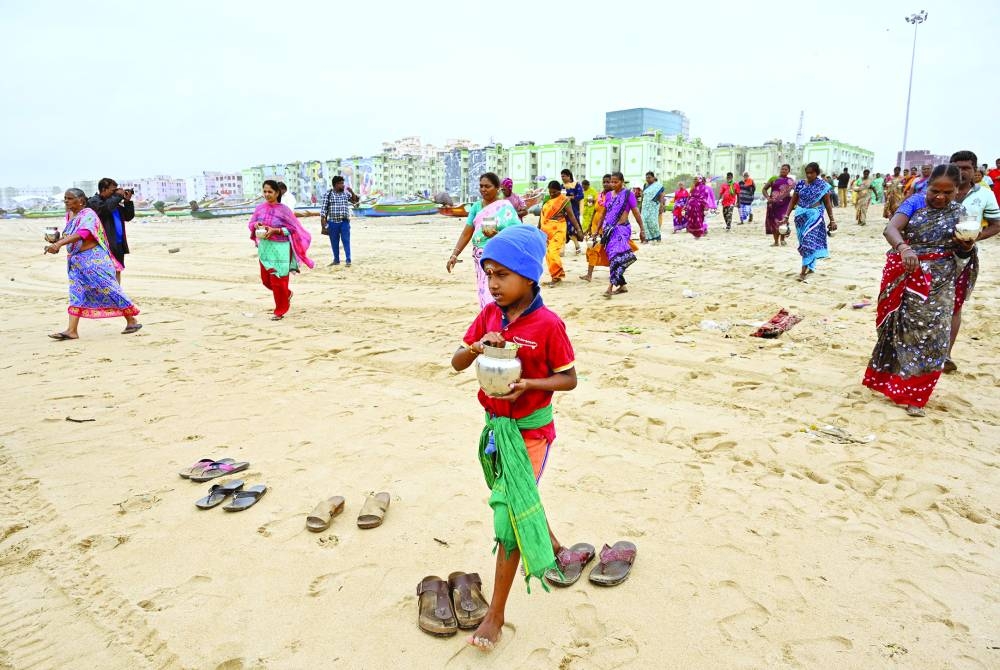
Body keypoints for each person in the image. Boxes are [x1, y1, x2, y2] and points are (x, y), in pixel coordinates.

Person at [451, 224, 577, 652]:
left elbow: (570, 378)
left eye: (503, 274)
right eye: (489, 274)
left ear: (529, 277)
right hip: (496, 429)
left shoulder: (547, 324)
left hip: (531, 433)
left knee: (508, 517)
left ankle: (496, 614)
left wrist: (532, 384)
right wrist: (475, 348)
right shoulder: (489, 314)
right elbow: (455, 363)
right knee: (518, 496)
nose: (494, 283)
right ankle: (555, 543)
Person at [863, 165, 977, 417]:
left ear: (957, 191)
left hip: (942, 281)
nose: (940, 197)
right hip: (909, 276)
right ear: (928, 186)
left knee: (935, 337)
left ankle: (917, 397)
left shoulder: (960, 212)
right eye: (935, 191)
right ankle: (894, 385)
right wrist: (904, 248)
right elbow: (891, 228)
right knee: (903, 332)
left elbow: (963, 250)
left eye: (948, 193)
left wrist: (967, 247)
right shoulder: (914, 202)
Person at [44, 189, 141, 339]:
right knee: (76, 294)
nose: (66, 201)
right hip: (76, 262)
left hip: (94, 260)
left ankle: (131, 320)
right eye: (65, 199)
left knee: (110, 289)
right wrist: (55, 242)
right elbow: (70, 235)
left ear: (81, 200)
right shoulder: (70, 215)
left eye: (70, 198)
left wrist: (59, 244)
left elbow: (83, 233)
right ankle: (72, 330)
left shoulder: (88, 214)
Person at [943, 150, 1000, 373]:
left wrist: (974, 238)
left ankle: (946, 354)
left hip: (963, 257)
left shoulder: (984, 195)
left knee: (955, 305)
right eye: (956, 167)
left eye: (966, 168)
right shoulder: (940, 190)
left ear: (974, 170)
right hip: (932, 255)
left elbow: (996, 224)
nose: (961, 172)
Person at [447, 173, 522, 309]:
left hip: (500, 257)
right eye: (481, 186)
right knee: (484, 288)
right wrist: (454, 254)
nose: (483, 189)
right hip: (481, 258)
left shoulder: (505, 207)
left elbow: (517, 233)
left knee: (498, 288)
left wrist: (497, 234)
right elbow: (467, 233)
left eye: (487, 186)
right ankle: (489, 317)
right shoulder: (476, 207)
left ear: (497, 188)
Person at [248, 180, 314, 320]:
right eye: (264, 191)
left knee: (278, 280)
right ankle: (287, 294)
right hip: (265, 248)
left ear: (277, 193)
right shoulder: (259, 208)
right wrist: (256, 225)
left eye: (270, 192)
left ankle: (280, 311)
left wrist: (276, 230)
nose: (267, 194)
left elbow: (292, 229)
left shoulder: (284, 210)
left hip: (281, 249)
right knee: (266, 281)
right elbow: (251, 223)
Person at [782, 163, 836, 282]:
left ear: (817, 173)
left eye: (812, 173)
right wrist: (786, 216)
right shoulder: (800, 184)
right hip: (800, 217)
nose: (809, 175)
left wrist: (832, 220)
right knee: (804, 242)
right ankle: (811, 266)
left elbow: (827, 204)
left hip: (815, 215)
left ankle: (803, 271)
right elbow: (793, 201)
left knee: (808, 242)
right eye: (807, 173)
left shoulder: (822, 186)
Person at [602, 171, 644, 297]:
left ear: (622, 181)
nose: (613, 184)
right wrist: (598, 229)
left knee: (616, 257)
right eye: (611, 182)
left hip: (622, 229)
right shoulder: (608, 195)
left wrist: (642, 229)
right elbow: (604, 213)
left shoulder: (628, 195)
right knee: (613, 258)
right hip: (609, 230)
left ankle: (610, 287)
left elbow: (636, 213)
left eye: (616, 182)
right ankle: (622, 286)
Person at [88, 177, 135, 283]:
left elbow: (128, 216)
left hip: (117, 244)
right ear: (104, 189)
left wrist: (127, 201)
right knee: (106, 271)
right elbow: (104, 210)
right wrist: (118, 196)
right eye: (113, 190)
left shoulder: (114, 204)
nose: (116, 192)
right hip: (103, 244)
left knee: (117, 270)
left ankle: (117, 294)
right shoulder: (95, 201)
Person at [538, 181, 582, 286]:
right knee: (549, 254)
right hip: (546, 231)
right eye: (550, 192)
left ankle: (557, 277)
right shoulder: (547, 198)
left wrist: (579, 230)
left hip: (559, 229)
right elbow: (542, 214)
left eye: (554, 192)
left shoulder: (564, 200)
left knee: (553, 252)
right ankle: (555, 276)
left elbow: (571, 216)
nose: (552, 194)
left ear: (559, 190)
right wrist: (538, 228)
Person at [320, 176, 359, 267]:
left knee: (346, 241)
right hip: (332, 223)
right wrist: (324, 225)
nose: (343, 185)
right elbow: (323, 211)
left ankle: (348, 260)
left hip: (344, 222)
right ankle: (336, 260)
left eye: (343, 183)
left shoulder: (346, 194)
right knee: (334, 242)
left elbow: (355, 202)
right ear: (335, 185)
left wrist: (352, 192)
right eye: (341, 183)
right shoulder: (328, 194)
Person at [580, 175, 613, 282]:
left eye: (608, 182)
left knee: (610, 251)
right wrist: (589, 226)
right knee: (592, 249)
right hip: (595, 227)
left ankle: (614, 272)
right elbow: (594, 210)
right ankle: (589, 275)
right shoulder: (600, 195)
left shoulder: (614, 196)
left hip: (607, 227)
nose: (606, 184)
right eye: (604, 182)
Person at [762, 164, 795, 246]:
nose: (783, 170)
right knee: (774, 222)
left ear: (788, 171)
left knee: (783, 221)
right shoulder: (773, 179)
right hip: (773, 205)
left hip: (785, 205)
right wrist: (768, 198)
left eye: (785, 169)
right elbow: (764, 189)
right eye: (782, 169)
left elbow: (796, 192)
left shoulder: (791, 181)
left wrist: (795, 201)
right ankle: (776, 241)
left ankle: (783, 240)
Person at [560, 169, 584, 254]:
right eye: (561, 176)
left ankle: (576, 246)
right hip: (563, 212)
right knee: (564, 230)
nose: (562, 178)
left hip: (573, 211)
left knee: (571, 229)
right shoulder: (561, 186)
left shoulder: (576, 185)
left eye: (564, 176)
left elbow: (581, 195)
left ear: (569, 176)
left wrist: (571, 197)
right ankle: (570, 247)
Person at [640, 171, 665, 242]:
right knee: (643, 221)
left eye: (649, 178)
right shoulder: (645, 185)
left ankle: (657, 236)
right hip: (645, 206)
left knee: (653, 222)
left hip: (653, 206)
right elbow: (643, 196)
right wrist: (641, 206)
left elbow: (661, 196)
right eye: (646, 178)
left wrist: (661, 205)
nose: (648, 179)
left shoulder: (658, 186)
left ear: (653, 178)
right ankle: (646, 237)